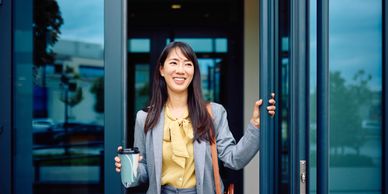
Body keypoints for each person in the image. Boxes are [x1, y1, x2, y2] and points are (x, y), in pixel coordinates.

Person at [114, 41, 276, 194]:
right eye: (174, 62)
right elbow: (144, 171)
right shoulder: (145, 118)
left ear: (194, 72)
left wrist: (255, 125)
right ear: (161, 70)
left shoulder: (214, 113)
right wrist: (128, 167)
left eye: (188, 64)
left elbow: (234, 159)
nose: (181, 70)